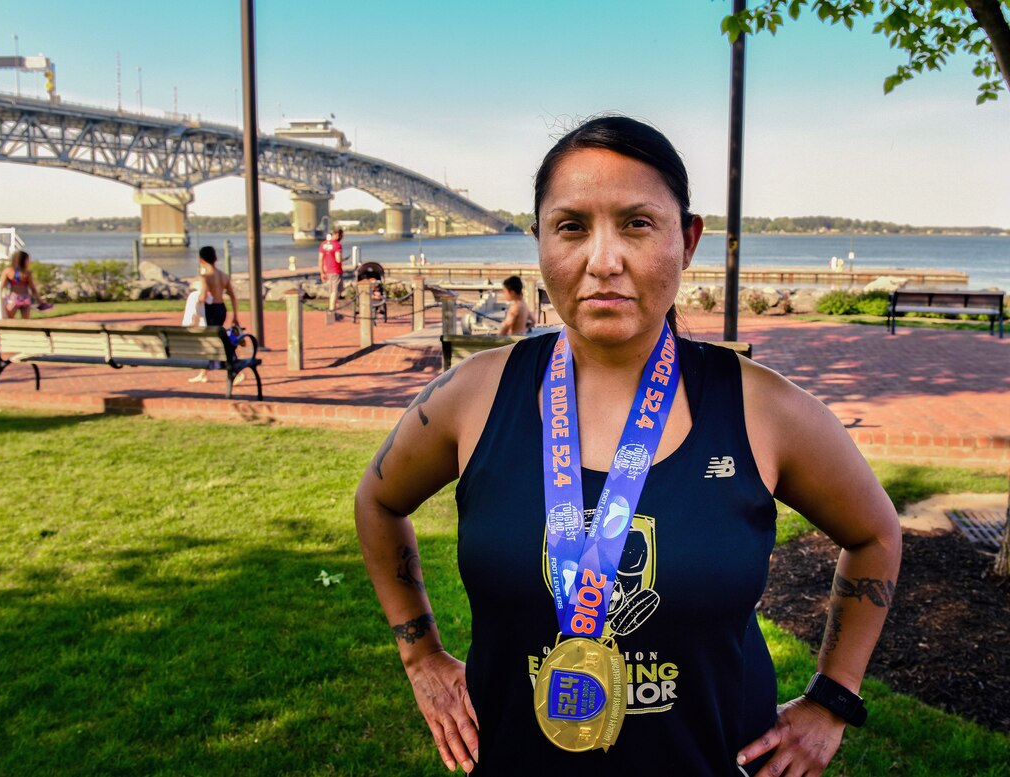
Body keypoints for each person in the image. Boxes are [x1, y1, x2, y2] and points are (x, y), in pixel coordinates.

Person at [354, 116, 901, 776]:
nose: (603, 260)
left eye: (637, 223)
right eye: (572, 226)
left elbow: (875, 533)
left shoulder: (764, 409)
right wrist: (420, 653)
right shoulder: (471, 396)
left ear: (688, 238)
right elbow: (377, 500)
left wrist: (833, 697)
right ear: (540, 241)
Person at [189, 246, 240, 384]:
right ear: (215, 258)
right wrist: (235, 316)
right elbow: (233, 296)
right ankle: (203, 372)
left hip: (210, 310)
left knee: (214, 341)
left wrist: (194, 298)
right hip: (221, 309)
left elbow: (203, 295)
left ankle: (236, 370)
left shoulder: (205, 277)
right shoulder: (223, 276)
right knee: (214, 339)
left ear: (201, 260)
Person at [0, 250, 42, 319]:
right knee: (26, 321)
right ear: (22, 260)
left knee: (9, 320)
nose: (29, 262)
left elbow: (1, 287)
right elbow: (33, 288)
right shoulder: (26, 273)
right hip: (25, 298)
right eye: (28, 260)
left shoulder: (7, 271)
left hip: (13, 298)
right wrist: (40, 300)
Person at [319, 228, 344, 319]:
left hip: (327, 271)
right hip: (336, 271)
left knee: (332, 292)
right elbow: (338, 259)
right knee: (335, 292)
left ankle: (334, 310)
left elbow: (320, 259)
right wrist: (343, 259)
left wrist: (322, 272)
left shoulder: (323, 244)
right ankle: (332, 312)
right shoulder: (337, 245)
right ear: (338, 235)